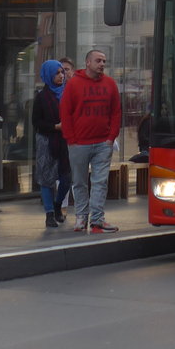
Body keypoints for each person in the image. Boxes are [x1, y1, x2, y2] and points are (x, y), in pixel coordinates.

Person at [60, 48, 122, 233]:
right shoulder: (74, 84)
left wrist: (111, 137)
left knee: (100, 182)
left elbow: (116, 112)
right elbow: (66, 112)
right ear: (88, 63)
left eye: (104, 61)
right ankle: (81, 218)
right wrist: (71, 139)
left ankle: (97, 219)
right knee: (79, 182)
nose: (102, 64)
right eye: (98, 61)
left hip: (103, 142)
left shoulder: (110, 84)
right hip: (79, 143)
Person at [32, 60, 71, 228]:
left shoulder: (68, 94)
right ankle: (49, 214)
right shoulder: (41, 97)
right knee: (46, 179)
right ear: (49, 75)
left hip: (66, 140)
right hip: (47, 140)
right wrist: (55, 126)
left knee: (66, 178)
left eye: (62, 72)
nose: (61, 76)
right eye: (57, 73)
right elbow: (36, 121)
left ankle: (57, 204)